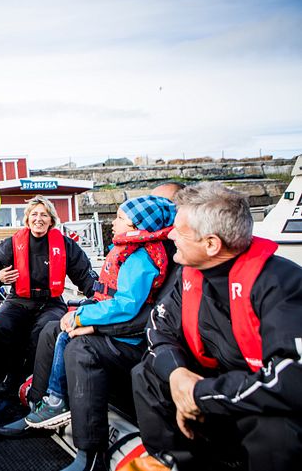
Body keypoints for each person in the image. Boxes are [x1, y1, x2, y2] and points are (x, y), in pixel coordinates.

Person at [129, 182, 302, 471]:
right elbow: (159, 330)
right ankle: (174, 461)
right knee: (146, 373)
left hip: (256, 400)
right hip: (211, 392)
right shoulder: (189, 277)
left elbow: (290, 379)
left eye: (179, 231)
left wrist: (200, 394)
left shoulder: (282, 285)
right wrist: (177, 374)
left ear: (211, 244)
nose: (170, 235)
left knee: (278, 430)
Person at [0, 196, 176, 462]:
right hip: (23, 301)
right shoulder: (12, 243)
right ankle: (37, 407)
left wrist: (83, 317)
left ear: (137, 226)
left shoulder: (140, 258)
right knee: (43, 330)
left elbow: (122, 302)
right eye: (34, 215)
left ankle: (64, 415)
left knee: (66, 338)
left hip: (125, 334)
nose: (112, 223)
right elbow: (103, 291)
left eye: (119, 219)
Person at [0, 195, 97, 393]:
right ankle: (12, 373)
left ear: (51, 220)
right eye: (34, 214)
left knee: (44, 332)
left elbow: (85, 276)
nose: (39, 219)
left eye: (44, 214)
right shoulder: (12, 244)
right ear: (27, 219)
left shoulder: (66, 245)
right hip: (18, 301)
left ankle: (34, 379)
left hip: (51, 303)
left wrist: (98, 298)